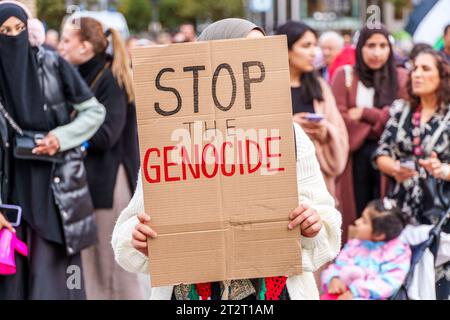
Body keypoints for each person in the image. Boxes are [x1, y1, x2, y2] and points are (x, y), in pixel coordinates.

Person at [112, 18, 342, 300]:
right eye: (242, 52)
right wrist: (139, 238)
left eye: (261, 53)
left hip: (274, 291)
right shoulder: (173, 136)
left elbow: (326, 221)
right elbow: (129, 229)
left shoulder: (288, 134)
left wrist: (312, 222)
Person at [0, 1, 106, 299]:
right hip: (12, 191)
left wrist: (59, 137)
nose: (13, 36)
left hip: (55, 187)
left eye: (19, 29)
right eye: (5, 31)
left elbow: (93, 112)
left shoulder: (51, 62)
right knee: (14, 282)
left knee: (60, 279)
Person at [58, 17, 142, 300]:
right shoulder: (86, 74)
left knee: (110, 267)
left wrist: (68, 137)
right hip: (96, 179)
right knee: (95, 266)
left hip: (108, 182)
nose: (60, 46)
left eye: (66, 40)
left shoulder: (110, 78)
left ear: (85, 46)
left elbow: (107, 135)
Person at [373, 48, 450, 300]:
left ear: (443, 76)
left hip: (439, 213)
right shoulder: (400, 110)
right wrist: (394, 168)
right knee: (399, 281)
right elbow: (380, 153)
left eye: (425, 69)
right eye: (414, 68)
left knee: (436, 281)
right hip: (400, 209)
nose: (416, 74)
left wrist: (442, 170)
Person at [331, 25, 409, 241]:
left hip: (390, 159)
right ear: (359, 48)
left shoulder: (401, 77)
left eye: (383, 46)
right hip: (355, 156)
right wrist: (381, 120)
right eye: (370, 45)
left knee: (385, 213)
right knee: (356, 211)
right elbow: (340, 120)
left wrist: (366, 114)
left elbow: (401, 118)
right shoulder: (344, 76)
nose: (377, 52)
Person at [276, 21, 348, 203]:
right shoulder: (269, 88)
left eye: (315, 45)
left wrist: (324, 133)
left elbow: (338, 132)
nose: (314, 52)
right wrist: (291, 126)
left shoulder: (320, 88)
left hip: (314, 182)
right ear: (286, 49)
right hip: (278, 179)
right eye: (306, 46)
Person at [321, 199, 411, 300]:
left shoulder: (397, 253)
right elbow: (338, 265)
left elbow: (387, 283)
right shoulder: (355, 244)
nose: (357, 222)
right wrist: (333, 278)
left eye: (364, 221)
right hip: (342, 294)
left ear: (379, 235)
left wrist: (354, 291)